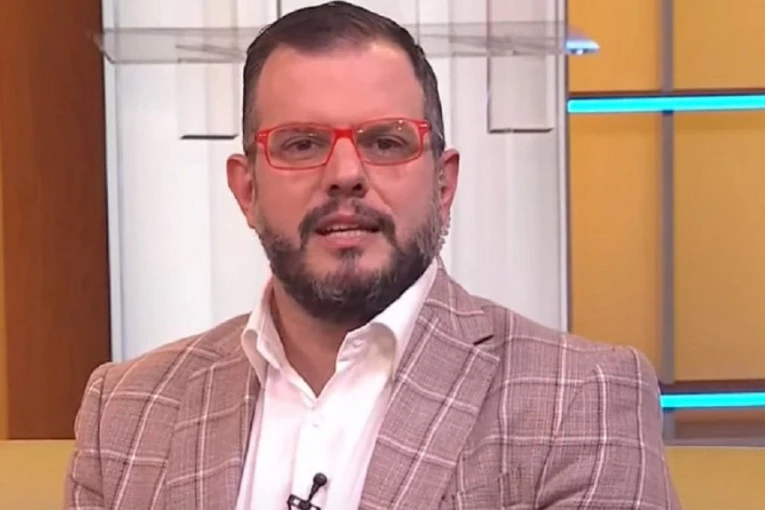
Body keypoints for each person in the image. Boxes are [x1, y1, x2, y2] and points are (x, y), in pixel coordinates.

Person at [64, 2, 681, 509]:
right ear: (246, 190)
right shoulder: (125, 412)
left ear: (443, 184)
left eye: (386, 142)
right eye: (301, 144)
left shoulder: (580, 399)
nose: (345, 174)